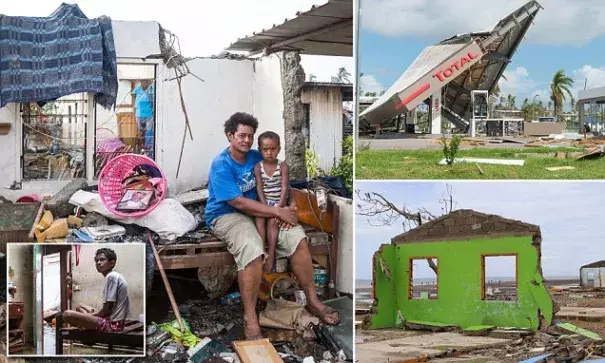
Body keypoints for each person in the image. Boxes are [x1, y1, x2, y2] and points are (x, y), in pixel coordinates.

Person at [205, 112, 340, 340]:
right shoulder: (221, 164)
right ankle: (250, 316)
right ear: (230, 136)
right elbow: (237, 202)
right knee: (250, 248)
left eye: (250, 136)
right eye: (241, 135)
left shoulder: (257, 156)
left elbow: (280, 182)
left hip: (264, 211)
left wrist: (290, 206)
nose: (246, 140)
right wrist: (277, 211)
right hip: (229, 214)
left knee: (297, 238)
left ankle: (313, 301)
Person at [253, 131, 296, 272]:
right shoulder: (257, 167)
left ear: (278, 149)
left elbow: (285, 188)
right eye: (265, 149)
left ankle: (271, 253)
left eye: (273, 149)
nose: (269, 152)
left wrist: (280, 207)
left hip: (279, 203)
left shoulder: (283, 166)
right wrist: (265, 206)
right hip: (265, 202)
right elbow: (259, 187)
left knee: (272, 222)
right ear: (260, 150)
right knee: (259, 218)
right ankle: (261, 250)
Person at [61, 248, 131, 332]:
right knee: (80, 306)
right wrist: (89, 316)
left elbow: (106, 311)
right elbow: (106, 310)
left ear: (112, 263)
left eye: (102, 260)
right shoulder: (113, 276)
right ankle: (85, 325)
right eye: (97, 260)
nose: (98, 263)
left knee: (67, 314)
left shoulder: (111, 277)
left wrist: (90, 316)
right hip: (113, 321)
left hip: (113, 325)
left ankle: (85, 326)